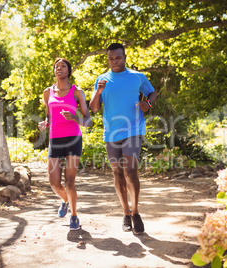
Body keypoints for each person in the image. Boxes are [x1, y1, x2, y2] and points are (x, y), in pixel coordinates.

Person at [89, 43, 157, 235]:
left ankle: (136, 213)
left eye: (118, 58)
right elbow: (93, 108)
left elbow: (152, 92)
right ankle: (125, 214)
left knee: (130, 170)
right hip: (111, 133)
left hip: (133, 129)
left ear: (124, 57)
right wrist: (98, 92)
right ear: (108, 59)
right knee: (117, 174)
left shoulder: (137, 77)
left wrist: (148, 103)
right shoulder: (101, 80)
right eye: (111, 58)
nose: (114, 61)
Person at [39, 58, 91, 231]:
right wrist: (44, 123)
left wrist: (75, 118)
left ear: (68, 71)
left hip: (73, 139)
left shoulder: (77, 92)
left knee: (69, 182)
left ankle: (74, 215)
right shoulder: (48, 92)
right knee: (54, 183)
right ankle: (65, 200)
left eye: (63, 66)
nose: (59, 68)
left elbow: (88, 121)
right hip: (55, 139)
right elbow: (49, 116)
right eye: (56, 66)